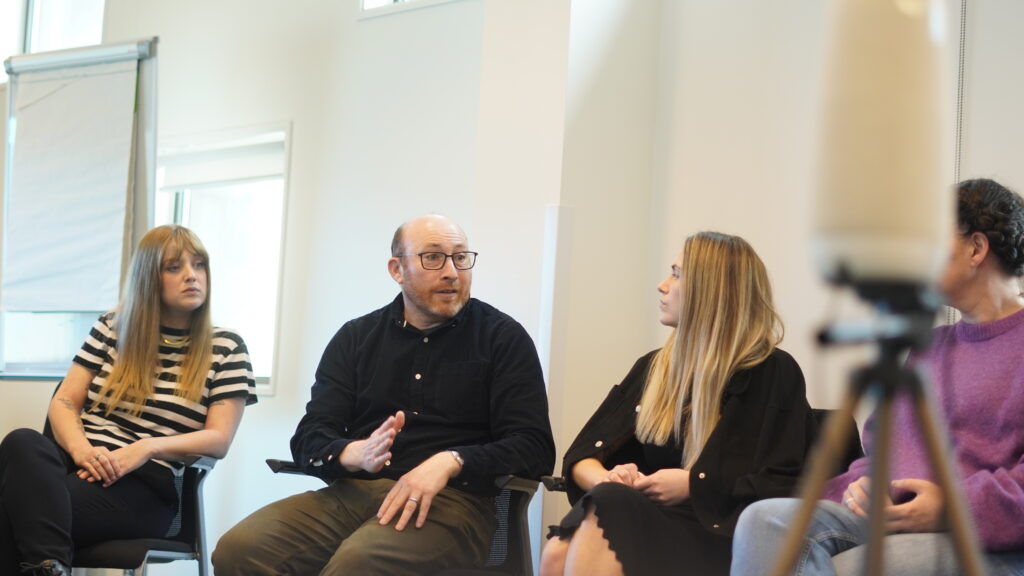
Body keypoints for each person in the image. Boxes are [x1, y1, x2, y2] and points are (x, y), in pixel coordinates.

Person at [213, 214, 555, 575]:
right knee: (239, 550)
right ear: (397, 269)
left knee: (359, 563)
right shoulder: (356, 338)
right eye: (433, 257)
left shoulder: (502, 338)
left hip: (453, 504)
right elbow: (309, 436)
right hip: (353, 494)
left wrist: (450, 461)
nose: (452, 272)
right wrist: (351, 452)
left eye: (460, 257)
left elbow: (534, 446)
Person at [730, 178, 1024, 576]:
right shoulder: (927, 347)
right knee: (764, 522)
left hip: (986, 539)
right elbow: (885, 449)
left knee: (860, 568)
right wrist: (863, 487)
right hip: (892, 520)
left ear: (976, 247)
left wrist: (952, 507)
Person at [540, 231, 814, 576]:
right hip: (649, 515)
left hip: (718, 531)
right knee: (557, 552)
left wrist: (693, 485)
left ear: (710, 290)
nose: (662, 284)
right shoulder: (655, 367)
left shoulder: (770, 371)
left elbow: (784, 482)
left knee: (586, 528)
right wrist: (611, 477)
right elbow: (581, 456)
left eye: (677, 274)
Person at [0, 224, 257, 576]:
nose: (191, 276)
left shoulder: (226, 347)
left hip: (145, 488)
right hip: (78, 464)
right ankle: (49, 565)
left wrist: (147, 447)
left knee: (14, 510)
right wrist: (83, 452)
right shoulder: (112, 327)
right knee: (22, 442)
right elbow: (64, 402)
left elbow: (219, 439)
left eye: (199, 265)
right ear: (148, 278)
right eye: (174, 267)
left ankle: (46, 564)